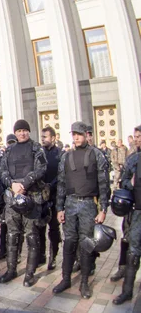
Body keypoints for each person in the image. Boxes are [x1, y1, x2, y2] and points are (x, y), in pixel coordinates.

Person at [53, 122, 109, 299]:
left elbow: (104, 184)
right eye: (74, 134)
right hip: (70, 203)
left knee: (86, 244)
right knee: (69, 242)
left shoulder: (97, 155)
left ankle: (84, 282)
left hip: (87, 204)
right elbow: (61, 184)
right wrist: (59, 208)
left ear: (87, 134)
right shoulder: (66, 157)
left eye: (79, 134)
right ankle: (66, 278)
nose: (76, 137)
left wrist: (103, 209)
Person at [0, 119, 47, 287]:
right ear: (15, 133)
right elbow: (2, 171)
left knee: (32, 236)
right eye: (19, 131)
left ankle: (29, 274)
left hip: (31, 197)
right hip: (12, 198)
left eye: (25, 130)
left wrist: (24, 184)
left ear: (29, 131)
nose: (22, 133)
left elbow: (41, 168)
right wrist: (12, 184)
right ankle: (11, 270)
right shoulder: (9, 150)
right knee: (12, 235)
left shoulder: (36, 148)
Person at [112, 124, 141, 305]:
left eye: (140, 136)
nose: (137, 139)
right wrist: (131, 183)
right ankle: (127, 291)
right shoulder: (133, 159)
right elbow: (123, 182)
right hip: (137, 213)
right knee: (133, 251)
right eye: (136, 136)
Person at [40, 126, 62, 270]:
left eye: (45, 137)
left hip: (54, 196)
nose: (43, 139)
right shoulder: (39, 154)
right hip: (40, 197)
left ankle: (53, 257)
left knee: (53, 229)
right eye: (42, 137)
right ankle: (41, 255)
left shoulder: (60, 154)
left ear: (53, 138)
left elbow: (62, 175)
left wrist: (51, 186)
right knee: (39, 227)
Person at [0, 134, 17, 261]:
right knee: (3, 226)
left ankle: (16, 253)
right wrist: (3, 192)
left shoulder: (19, 158)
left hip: (17, 196)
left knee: (16, 228)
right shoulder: (2, 159)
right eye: (9, 143)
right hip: (4, 197)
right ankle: (3, 250)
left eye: (13, 142)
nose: (11, 145)